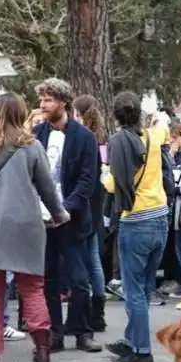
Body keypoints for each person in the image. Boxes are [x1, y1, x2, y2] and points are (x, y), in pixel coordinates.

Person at [0, 92, 69, 362]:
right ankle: (43, 349)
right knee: (33, 288)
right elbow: (47, 188)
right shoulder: (31, 146)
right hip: (26, 223)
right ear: (21, 114)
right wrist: (59, 215)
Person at [34, 79, 102, 353]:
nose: (42, 105)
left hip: (72, 218)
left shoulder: (84, 137)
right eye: (41, 100)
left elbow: (88, 180)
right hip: (42, 218)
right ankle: (55, 332)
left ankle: (82, 331)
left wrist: (65, 210)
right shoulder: (37, 135)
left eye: (48, 100)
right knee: (49, 277)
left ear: (62, 102)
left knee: (78, 278)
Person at [103, 92, 170, 362]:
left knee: (133, 290)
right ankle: (133, 338)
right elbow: (164, 128)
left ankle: (141, 349)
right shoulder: (153, 137)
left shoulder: (121, 143)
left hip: (136, 219)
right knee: (144, 286)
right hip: (160, 217)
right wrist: (157, 118)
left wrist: (104, 173)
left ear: (117, 117)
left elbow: (113, 185)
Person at [72, 94, 108, 332]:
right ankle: (98, 310)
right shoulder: (102, 141)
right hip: (97, 204)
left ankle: (91, 312)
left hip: (87, 206)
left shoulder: (83, 142)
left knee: (89, 261)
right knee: (94, 261)